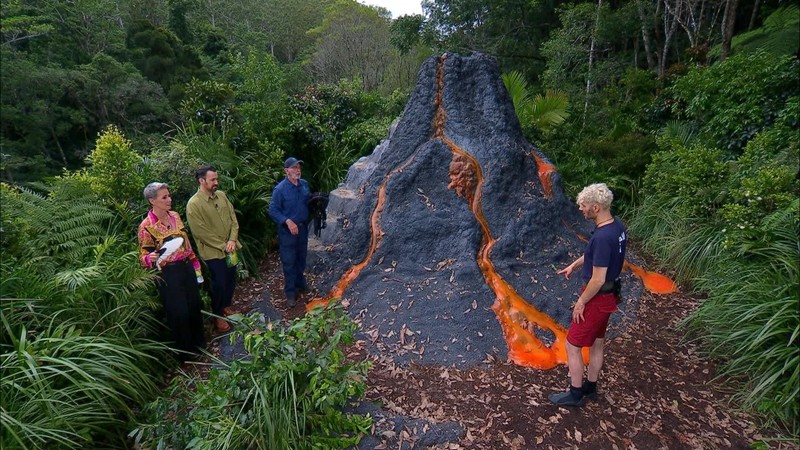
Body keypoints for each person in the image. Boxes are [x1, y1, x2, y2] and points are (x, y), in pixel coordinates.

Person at [549, 183, 627, 407]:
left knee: (573, 345)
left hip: (597, 297)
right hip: (610, 295)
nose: (581, 209)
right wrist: (574, 265)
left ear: (595, 207)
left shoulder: (603, 236)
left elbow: (597, 278)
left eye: (583, 206)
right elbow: (596, 254)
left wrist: (581, 302)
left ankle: (574, 394)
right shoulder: (616, 228)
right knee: (597, 343)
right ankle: (591, 387)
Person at [138, 182, 206, 361]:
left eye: (169, 195)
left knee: (193, 305)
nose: (170, 199)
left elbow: (186, 242)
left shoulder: (175, 216)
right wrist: (149, 258)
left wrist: (195, 265)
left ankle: (201, 346)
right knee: (178, 312)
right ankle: (186, 354)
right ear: (152, 201)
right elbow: (143, 256)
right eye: (164, 197)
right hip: (168, 273)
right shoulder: (146, 226)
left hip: (186, 266)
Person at [186, 165, 241, 332]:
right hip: (213, 253)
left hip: (231, 248)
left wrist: (232, 240)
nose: (216, 182)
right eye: (213, 180)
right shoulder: (194, 204)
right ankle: (218, 317)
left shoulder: (222, 196)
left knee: (231, 280)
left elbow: (233, 219)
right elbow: (201, 232)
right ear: (201, 181)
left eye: (217, 179)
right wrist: (223, 245)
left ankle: (225, 307)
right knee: (219, 284)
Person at [268, 157, 311, 307]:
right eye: (294, 168)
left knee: (301, 258)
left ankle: (300, 283)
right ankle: (291, 293)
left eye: (299, 167)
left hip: (303, 229)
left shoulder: (304, 185)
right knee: (289, 261)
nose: (297, 170)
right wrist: (287, 221)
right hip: (288, 232)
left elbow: (308, 202)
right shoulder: (280, 189)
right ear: (286, 171)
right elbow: (273, 210)